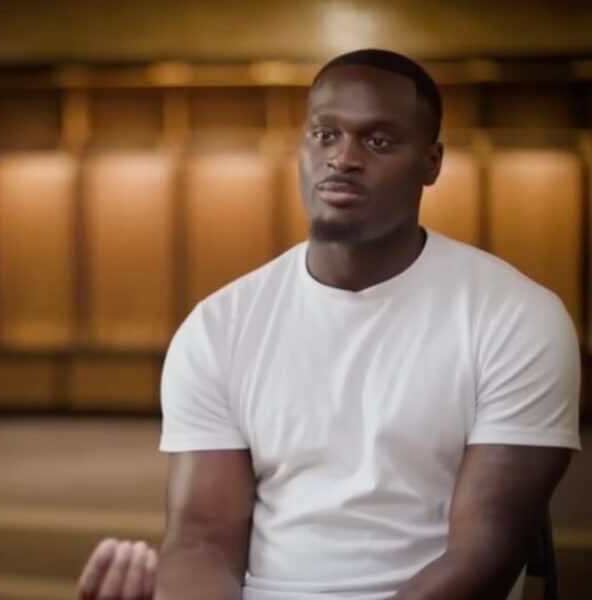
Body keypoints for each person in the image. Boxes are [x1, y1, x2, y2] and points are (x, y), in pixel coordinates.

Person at [77, 48, 581, 600]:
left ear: (432, 162)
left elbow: (486, 550)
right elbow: (202, 543)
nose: (343, 158)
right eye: (325, 135)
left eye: (378, 141)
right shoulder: (218, 327)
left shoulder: (516, 317)